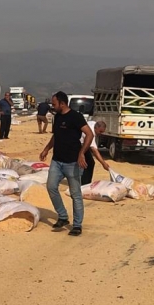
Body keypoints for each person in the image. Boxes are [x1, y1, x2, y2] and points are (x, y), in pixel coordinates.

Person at [39, 91, 93, 236]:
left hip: (72, 163)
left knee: (76, 194)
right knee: (51, 187)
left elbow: (90, 134)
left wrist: (82, 153)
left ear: (62, 104)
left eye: (54, 104)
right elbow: (56, 136)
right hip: (57, 161)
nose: (52, 106)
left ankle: (77, 225)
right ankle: (62, 216)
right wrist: (46, 149)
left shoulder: (76, 117)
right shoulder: (56, 117)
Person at [80, 120, 110, 185]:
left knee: (89, 163)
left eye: (102, 132)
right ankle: (85, 183)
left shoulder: (94, 124)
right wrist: (103, 163)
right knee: (88, 163)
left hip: (84, 144)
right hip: (78, 144)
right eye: (100, 131)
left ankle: (86, 182)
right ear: (96, 128)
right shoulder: (91, 132)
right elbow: (94, 150)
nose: (101, 133)